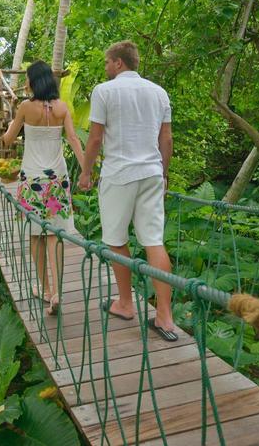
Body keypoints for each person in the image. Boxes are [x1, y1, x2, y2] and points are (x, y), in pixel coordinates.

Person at [78, 40, 177, 341]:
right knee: (153, 241)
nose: (106, 68)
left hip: (119, 174)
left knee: (116, 240)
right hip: (151, 174)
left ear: (118, 63)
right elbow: (167, 139)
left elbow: (95, 139)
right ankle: (165, 316)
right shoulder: (159, 93)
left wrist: (85, 172)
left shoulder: (104, 91)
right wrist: (163, 172)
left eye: (108, 62)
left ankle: (125, 303)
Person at [0, 61, 84, 315]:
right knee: (54, 236)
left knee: (36, 235)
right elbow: (73, 138)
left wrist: (6, 130)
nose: (25, 82)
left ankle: (45, 289)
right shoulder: (62, 108)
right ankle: (57, 292)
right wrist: (86, 169)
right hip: (57, 178)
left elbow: (8, 139)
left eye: (27, 78)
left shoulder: (26, 107)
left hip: (33, 178)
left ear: (34, 81)